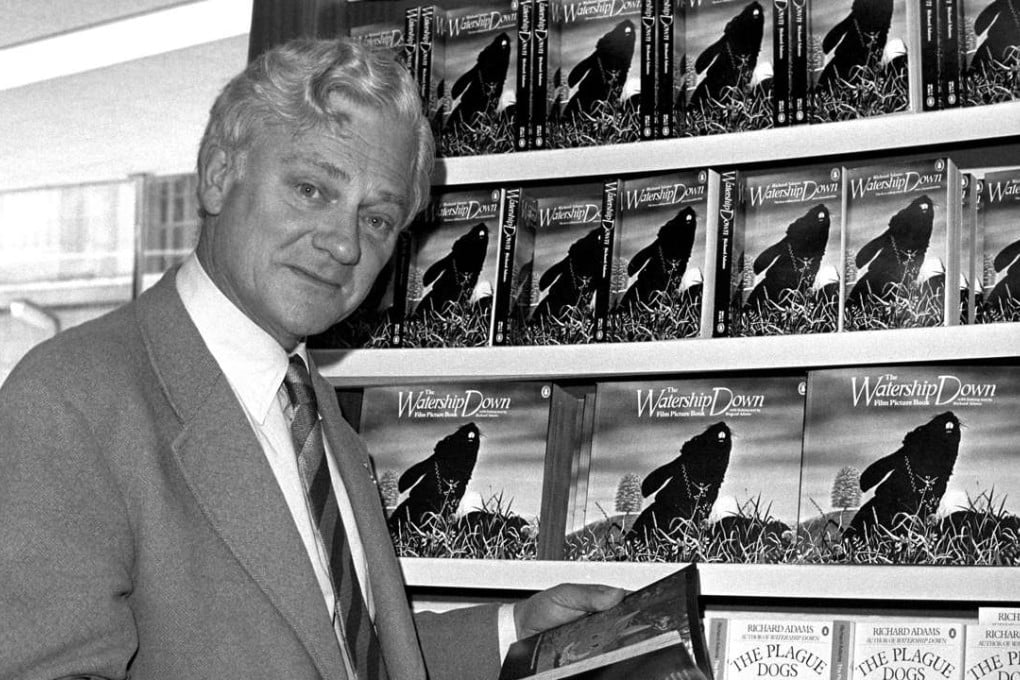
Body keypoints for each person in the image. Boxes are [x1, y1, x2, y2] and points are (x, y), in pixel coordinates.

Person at [0, 37, 624, 680]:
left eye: (377, 219)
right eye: (311, 189)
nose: (344, 243)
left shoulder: (315, 410)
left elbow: (330, 649)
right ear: (218, 175)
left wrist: (513, 632)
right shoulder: (70, 399)